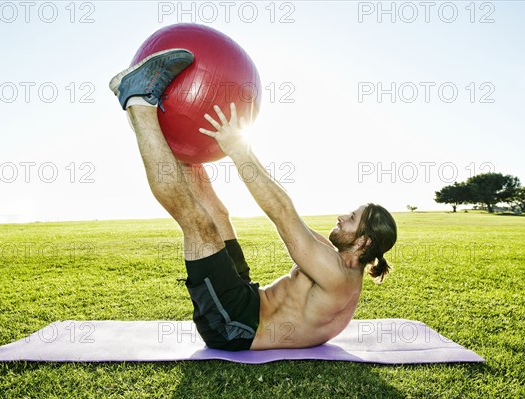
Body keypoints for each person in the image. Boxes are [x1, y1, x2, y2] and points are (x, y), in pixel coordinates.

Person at [109, 49, 397, 351]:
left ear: (364, 242)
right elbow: (290, 212)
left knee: (200, 225)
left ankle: (138, 102)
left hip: (235, 327)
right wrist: (195, 146)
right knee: (219, 215)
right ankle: (176, 152)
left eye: (351, 219)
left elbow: (282, 213)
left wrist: (239, 150)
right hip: (249, 299)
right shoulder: (335, 260)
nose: (341, 217)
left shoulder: (338, 277)